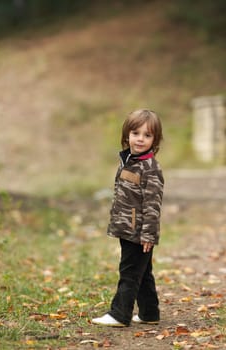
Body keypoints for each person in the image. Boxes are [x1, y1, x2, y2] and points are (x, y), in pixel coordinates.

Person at [92, 109, 164, 327]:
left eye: (147, 135)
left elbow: (152, 205)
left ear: (155, 140)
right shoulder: (130, 161)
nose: (140, 139)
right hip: (128, 227)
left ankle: (119, 314)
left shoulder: (150, 169)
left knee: (130, 272)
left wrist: (148, 235)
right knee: (143, 271)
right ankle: (149, 313)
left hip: (139, 231)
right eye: (136, 133)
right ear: (127, 135)